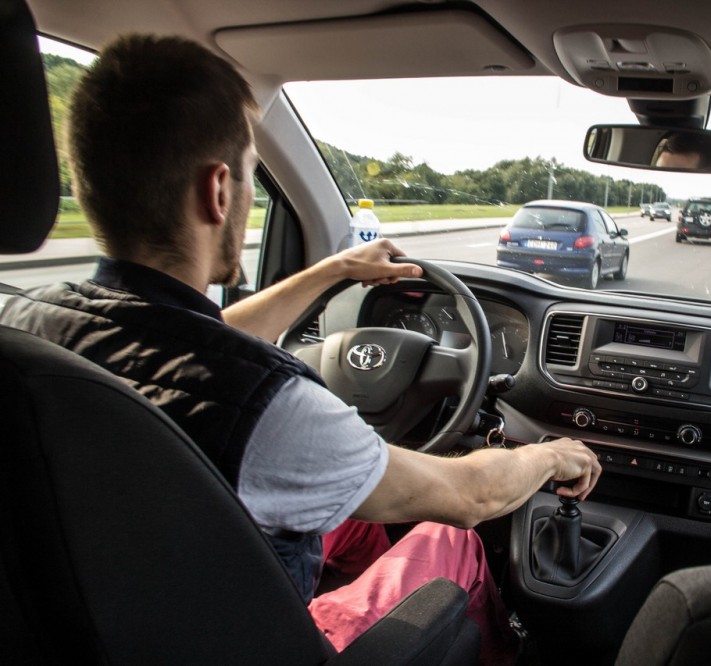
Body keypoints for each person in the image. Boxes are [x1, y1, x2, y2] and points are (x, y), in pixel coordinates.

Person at [0, 34, 601, 664]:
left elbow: (203, 341)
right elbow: (470, 496)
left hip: (98, 602)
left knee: (363, 520)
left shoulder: (27, 322)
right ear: (220, 192)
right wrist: (551, 455)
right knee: (448, 542)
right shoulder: (273, 407)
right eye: (254, 176)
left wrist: (335, 270)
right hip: (251, 637)